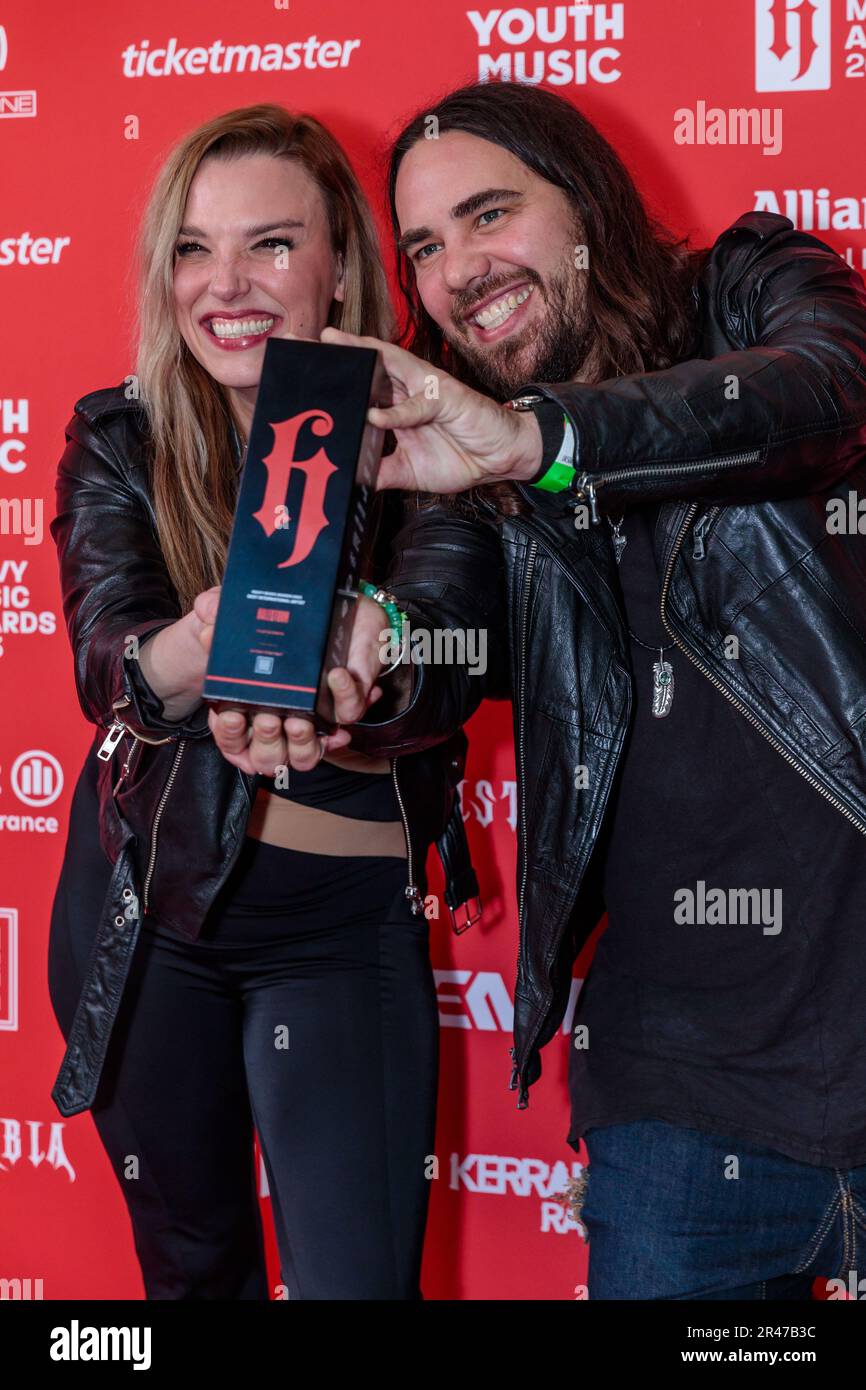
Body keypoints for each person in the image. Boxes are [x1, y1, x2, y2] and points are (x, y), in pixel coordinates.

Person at [319, 81, 866, 1300]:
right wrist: (362, 654)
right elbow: (440, 635)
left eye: (488, 213)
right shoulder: (466, 452)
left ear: (586, 205)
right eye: (424, 245)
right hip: (675, 1111)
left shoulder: (751, 283)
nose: (456, 269)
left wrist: (546, 441)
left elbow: (826, 392)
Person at [47, 103, 506, 1301]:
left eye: (269, 244)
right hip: (149, 913)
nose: (225, 284)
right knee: (193, 1280)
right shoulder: (119, 435)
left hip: (342, 931)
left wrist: (375, 651)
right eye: (193, 249)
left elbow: (447, 652)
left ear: (341, 264)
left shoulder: (427, 425)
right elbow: (112, 664)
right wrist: (196, 647)